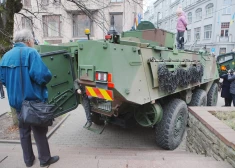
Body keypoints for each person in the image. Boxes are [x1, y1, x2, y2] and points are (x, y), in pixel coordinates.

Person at [0, 29, 59, 167]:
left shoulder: (6, 56)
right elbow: (43, 76)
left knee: (24, 131)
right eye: (32, 40)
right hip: (32, 101)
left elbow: (2, 79)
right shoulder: (31, 53)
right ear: (28, 40)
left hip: (16, 102)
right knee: (39, 130)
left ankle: (28, 160)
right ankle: (44, 159)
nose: (32, 42)